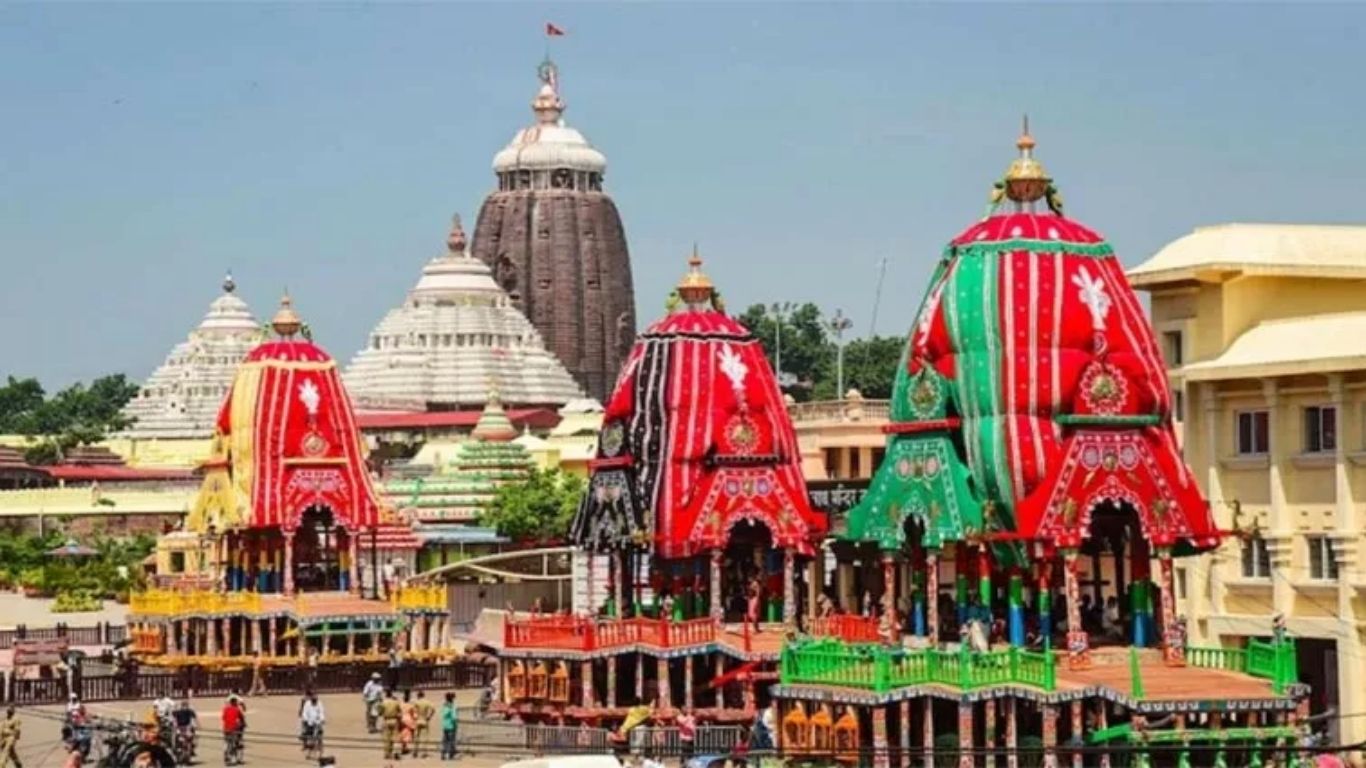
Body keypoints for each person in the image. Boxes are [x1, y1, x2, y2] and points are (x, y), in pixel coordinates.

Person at [220, 695, 246, 766]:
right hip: (234, 729)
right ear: (235, 703)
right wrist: (243, 724)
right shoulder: (237, 710)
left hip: (226, 728)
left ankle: (226, 754)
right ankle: (234, 758)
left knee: (226, 741)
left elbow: (223, 718)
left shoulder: (225, 709)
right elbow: (242, 719)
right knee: (235, 742)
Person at [379, 689, 403, 760]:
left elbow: (380, 713)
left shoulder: (383, 703)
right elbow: (400, 712)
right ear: (391, 695)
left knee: (386, 738)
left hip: (386, 720)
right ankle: (396, 752)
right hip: (394, 720)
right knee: (395, 738)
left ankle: (387, 753)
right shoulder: (396, 702)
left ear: (386, 695)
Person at [413, 690, 435, 758]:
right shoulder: (427, 702)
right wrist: (429, 716)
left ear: (418, 696)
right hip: (424, 719)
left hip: (418, 719)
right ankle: (423, 752)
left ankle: (415, 751)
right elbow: (433, 709)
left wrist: (415, 717)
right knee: (425, 737)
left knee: (417, 737)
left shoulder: (416, 702)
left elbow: (413, 711)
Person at [440, 692, 458, 761]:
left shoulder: (444, 705)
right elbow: (454, 717)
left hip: (445, 725)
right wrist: (456, 723)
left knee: (445, 740)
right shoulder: (452, 706)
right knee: (451, 740)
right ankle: (450, 755)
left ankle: (443, 754)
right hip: (451, 725)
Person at [400, 690, 417, 755]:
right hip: (408, 719)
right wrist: (415, 718)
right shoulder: (411, 705)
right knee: (408, 734)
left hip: (402, 719)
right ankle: (405, 747)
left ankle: (403, 747)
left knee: (403, 733)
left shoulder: (401, 704)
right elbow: (413, 714)